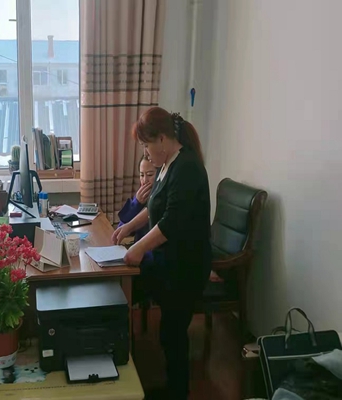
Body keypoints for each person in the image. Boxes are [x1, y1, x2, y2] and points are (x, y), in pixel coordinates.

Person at [112, 107, 211, 399]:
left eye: (147, 145)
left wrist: (139, 247)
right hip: (168, 261)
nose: (146, 152)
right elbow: (154, 207)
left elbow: (170, 222)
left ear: (163, 139)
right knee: (125, 291)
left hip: (186, 266)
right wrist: (127, 227)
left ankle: (178, 392)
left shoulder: (187, 167)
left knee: (172, 332)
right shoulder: (166, 165)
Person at [117, 155, 158, 246]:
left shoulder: (161, 198)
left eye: (150, 175)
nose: (145, 180)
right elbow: (120, 230)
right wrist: (136, 203)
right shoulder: (141, 197)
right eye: (142, 175)